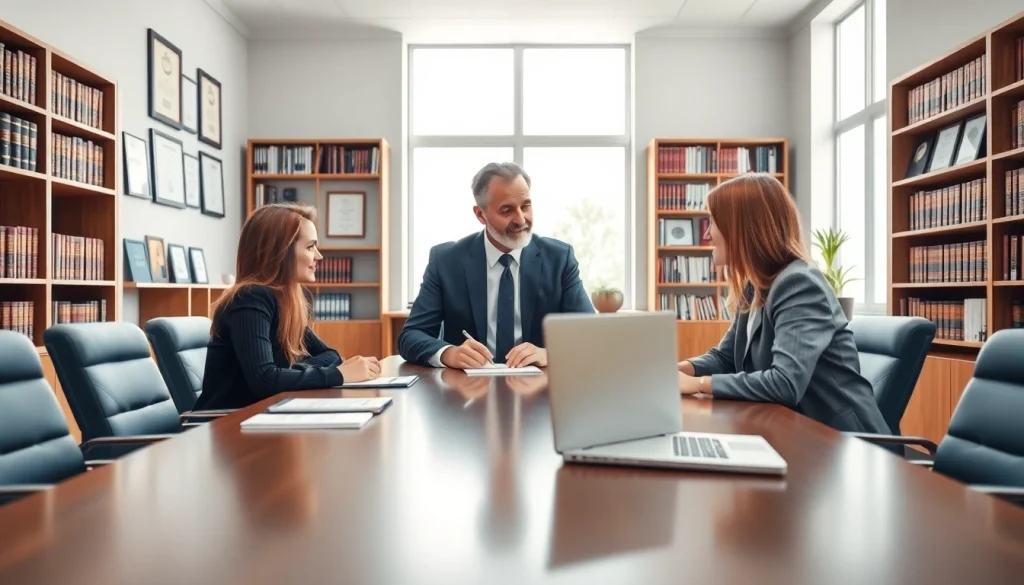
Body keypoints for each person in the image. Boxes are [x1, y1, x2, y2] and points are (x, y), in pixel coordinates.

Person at [677, 173, 891, 434]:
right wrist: (675, 371)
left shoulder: (799, 284)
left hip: (843, 444)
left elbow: (785, 383)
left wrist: (698, 383)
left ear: (741, 228)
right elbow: (725, 358)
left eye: (712, 222)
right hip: (798, 431)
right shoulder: (755, 285)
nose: (707, 234)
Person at [399, 162, 595, 369]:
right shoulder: (446, 260)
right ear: (480, 215)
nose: (521, 219)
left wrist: (550, 354)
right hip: (467, 391)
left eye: (526, 206)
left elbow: (591, 333)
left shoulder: (559, 258)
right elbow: (411, 336)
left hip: (540, 391)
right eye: (507, 210)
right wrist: (449, 353)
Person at [195, 203, 381, 410]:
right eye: (310, 247)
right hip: (224, 427)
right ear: (281, 251)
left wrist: (289, 373)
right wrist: (338, 374)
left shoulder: (285, 300)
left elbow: (331, 355)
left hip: (261, 415)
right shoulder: (250, 298)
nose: (319, 256)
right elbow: (265, 380)